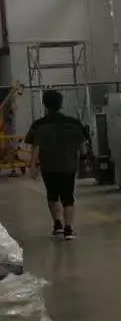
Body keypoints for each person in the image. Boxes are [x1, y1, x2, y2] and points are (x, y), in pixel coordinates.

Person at [25, 89, 90, 241]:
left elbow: (35, 147)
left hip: (48, 166)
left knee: (52, 195)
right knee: (68, 196)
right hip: (68, 166)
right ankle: (68, 229)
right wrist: (83, 161)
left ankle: (57, 224)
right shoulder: (74, 123)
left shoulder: (39, 125)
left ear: (45, 105)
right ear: (61, 104)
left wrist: (33, 167)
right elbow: (82, 144)